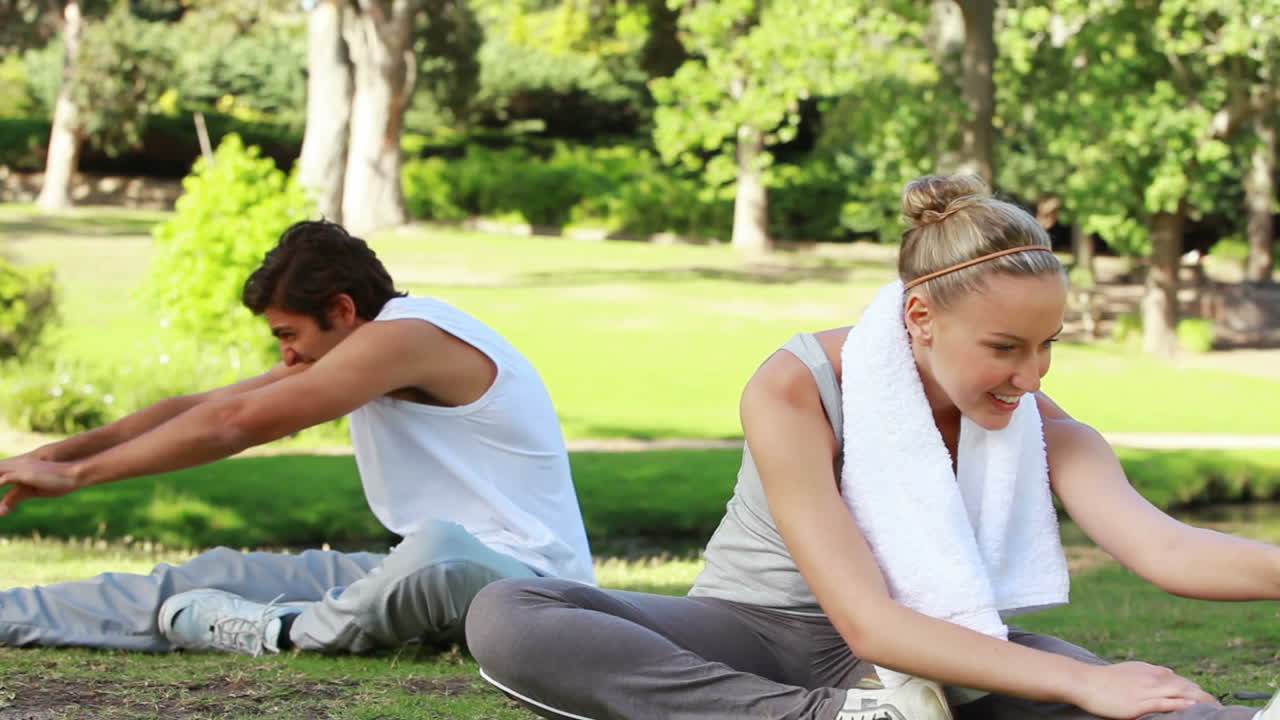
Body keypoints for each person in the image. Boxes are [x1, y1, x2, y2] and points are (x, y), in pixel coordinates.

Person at [463, 175, 1280, 720]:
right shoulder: (797, 387)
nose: (1031, 377)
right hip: (751, 635)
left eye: (1047, 346)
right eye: (1005, 348)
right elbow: (867, 624)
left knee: (1153, 700)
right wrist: (1078, 681)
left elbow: (1169, 550)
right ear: (920, 318)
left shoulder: (1043, 426)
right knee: (512, 613)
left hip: (939, 653)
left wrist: (1093, 684)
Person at [0, 219, 594, 656]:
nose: (286, 355)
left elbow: (235, 425)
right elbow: (205, 406)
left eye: (289, 334)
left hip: (529, 592)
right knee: (209, 575)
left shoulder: (409, 337)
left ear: (342, 309)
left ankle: (280, 632)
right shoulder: (357, 347)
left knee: (438, 549)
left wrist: (77, 477)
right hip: (414, 578)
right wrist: (59, 452)